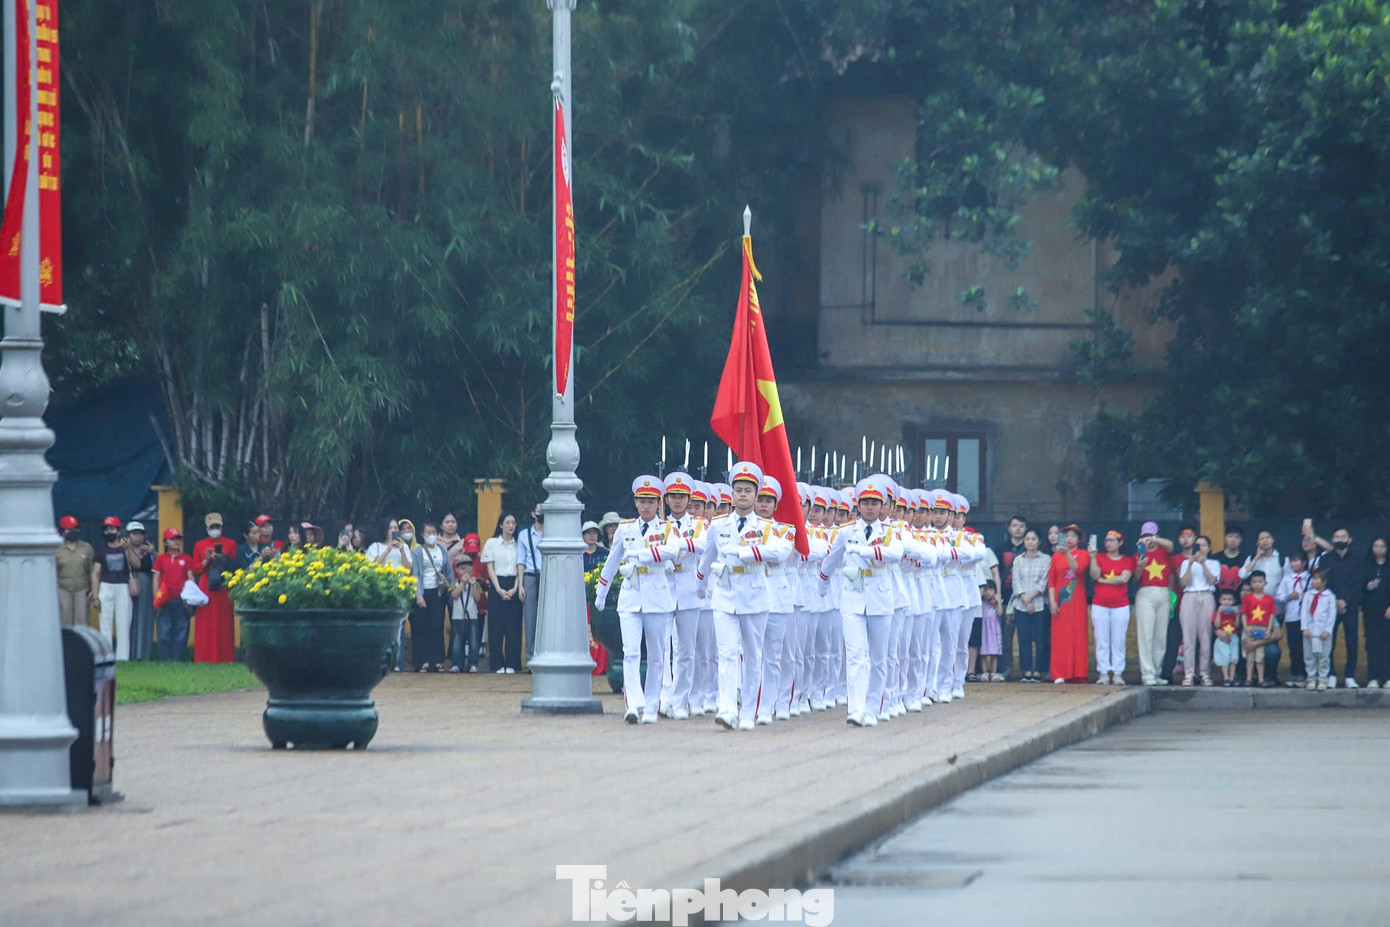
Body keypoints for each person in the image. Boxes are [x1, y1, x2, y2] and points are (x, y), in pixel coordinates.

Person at [816, 474, 902, 727]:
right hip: (852, 598)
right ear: (858, 504)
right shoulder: (846, 532)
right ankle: (856, 708)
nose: (870, 507)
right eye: (865, 502)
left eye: (875, 502)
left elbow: (896, 554)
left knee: (878, 657)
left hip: (880, 597)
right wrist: (822, 584)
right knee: (855, 655)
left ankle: (873, 708)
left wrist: (864, 551)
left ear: (882, 505)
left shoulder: (890, 532)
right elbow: (831, 560)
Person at [595, 477, 681, 724]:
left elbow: (672, 551)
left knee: (656, 655)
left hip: (657, 594)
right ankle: (633, 704)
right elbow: (612, 561)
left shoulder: (667, 528)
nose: (646, 506)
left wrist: (641, 555)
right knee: (630, 652)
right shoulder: (625, 529)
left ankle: (653, 706)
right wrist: (601, 593)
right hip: (631, 595)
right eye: (642, 501)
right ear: (635, 502)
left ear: (658, 503)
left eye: (650, 501)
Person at [1308, 525, 1366, 688]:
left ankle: (1349, 676)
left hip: (1351, 607)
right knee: (1328, 641)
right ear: (1332, 540)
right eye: (1336, 537)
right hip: (1330, 607)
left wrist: (1345, 601)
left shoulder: (1357, 559)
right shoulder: (1326, 559)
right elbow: (1325, 583)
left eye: (1342, 537)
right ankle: (1330, 674)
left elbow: (1359, 583)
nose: (1339, 540)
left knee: (1352, 641)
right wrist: (1336, 600)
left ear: (1350, 539)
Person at [1089, 529, 1135, 685]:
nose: (1108, 543)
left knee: (1119, 640)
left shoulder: (1127, 560)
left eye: (1112, 540)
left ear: (1120, 543)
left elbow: (1123, 579)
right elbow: (1095, 575)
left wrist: (1104, 581)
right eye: (1106, 540)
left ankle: (1117, 673)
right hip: (1100, 604)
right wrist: (1093, 558)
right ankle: (1103, 673)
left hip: (1120, 605)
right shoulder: (1100, 557)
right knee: (1101, 640)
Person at [1047, 525, 1091, 684]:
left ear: (1079, 539)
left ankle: (1078, 673)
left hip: (1077, 600)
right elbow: (1051, 581)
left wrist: (1067, 555)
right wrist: (1052, 601)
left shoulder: (1083, 554)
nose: (1070, 538)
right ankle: (1059, 673)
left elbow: (1078, 571)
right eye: (1067, 535)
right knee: (1060, 637)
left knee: (1077, 634)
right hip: (1060, 601)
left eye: (1073, 536)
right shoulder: (1056, 556)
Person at [410, 521, 456, 673]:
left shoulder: (442, 550)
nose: (431, 535)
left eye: (433, 532)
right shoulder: (417, 552)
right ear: (422, 535)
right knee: (422, 627)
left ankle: (437, 660)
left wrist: (453, 589)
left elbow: (449, 571)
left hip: (438, 593)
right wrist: (418, 595)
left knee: (437, 626)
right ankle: (422, 661)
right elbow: (415, 574)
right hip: (424, 592)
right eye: (428, 532)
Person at [192, 513, 238, 663]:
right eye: (212, 527)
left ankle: (226, 657)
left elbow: (234, 566)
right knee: (205, 624)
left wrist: (223, 557)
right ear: (207, 528)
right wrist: (207, 559)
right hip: (207, 586)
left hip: (223, 586)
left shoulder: (230, 543)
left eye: (217, 526)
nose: (215, 529)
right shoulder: (199, 545)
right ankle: (204, 657)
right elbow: (196, 568)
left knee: (224, 623)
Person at [367, 519, 412, 670]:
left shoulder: (404, 547)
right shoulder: (376, 547)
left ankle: (397, 663)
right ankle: (380, 663)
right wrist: (387, 550)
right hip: (380, 589)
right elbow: (371, 567)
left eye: (395, 527)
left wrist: (401, 550)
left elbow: (408, 569)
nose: (393, 530)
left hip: (398, 590)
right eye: (390, 527)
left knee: (399, 626)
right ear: (385, 530)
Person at [1133, 522, 1175, 686]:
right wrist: (1139, 566)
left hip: (1163, 593)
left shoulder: (1164, 551)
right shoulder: (1138, 554)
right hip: (1146, 592)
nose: (1148, 540)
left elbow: (1171, 545)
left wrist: (1155, 540)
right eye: (1145, 536)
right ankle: (1147, 674)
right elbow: (1135, 578)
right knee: (1146, 635)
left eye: (1151, 536)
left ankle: (1156, 672)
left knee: (1160, 637)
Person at [481, 512, 523, 673]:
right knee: (496, 626)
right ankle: (497, 663)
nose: (511, 526)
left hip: (514, 582)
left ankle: (512, 663)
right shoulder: (492, 543)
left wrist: (515, 588)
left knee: (514, 626)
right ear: (500, 525)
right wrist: (498, 588)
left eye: (513, 523)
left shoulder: (519, 544)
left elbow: (521, 566)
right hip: (497, 583)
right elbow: (490, 567)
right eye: (507, 523)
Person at [92, 515, 138, 659]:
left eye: (111, 529)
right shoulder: (101, 551)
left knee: (124, 624)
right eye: (106, 529)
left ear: (119, 531)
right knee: (105, 624)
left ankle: (123, 658)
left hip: (123, 587)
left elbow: (136, 564)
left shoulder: (126, 547)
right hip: (106, 587)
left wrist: (128, 549)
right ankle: (107, 657)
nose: (108, 532)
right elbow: (95, 574)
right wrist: (95, 596)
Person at [1009, 529, 1050, 682]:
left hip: (1040, 604)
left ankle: (1039, 671)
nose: (1030, 541)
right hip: (1021, 604)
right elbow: (1016, 581)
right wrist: (1024, 598)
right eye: (1028, 539)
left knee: (1041, 639)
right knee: (1023, 639)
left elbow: (1044, 582)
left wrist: (1031, 597)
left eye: (1034, 539)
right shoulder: (1018, 560)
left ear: (1039, 542)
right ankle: (1026, 671)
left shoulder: (1046, 559)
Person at [1178, 535, 1219, 686]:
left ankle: (1204, 673)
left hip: (1207, 595)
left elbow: (1212, 580)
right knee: (1188, 637)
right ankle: (1188, 673)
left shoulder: (1214, 563)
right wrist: (1190, 564)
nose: (1200, 548)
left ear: (1208, 548)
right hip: (1189, 596)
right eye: (1198, 545)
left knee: (1205, 637)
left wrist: (1203, 564)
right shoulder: (1185, 563)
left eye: (1203, 545)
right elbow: (1184, 583)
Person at [153, 528, 195, 662]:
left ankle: (177, 659)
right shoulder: (160, 559)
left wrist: (190, 597)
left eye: (178, 539)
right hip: (165, 599)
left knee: (181, 631)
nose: (176, 542)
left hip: (181, 600)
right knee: (164, 631)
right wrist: (156, 599)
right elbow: (156, 578)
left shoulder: (186, 558)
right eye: (173, 539)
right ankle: (165, 659)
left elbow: (191, 578)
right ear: (165, 542)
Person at [995, 515, 1028, 679]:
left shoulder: (1030, 547)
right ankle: (1005, 669)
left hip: (1025, 598)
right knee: (1004, 637)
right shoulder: (1000, 548)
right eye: (1014, 525)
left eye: (1021, 526)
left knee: (1024, 636)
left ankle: (1027, 670)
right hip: (1005, 597)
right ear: (1009, 528)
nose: (1018, 529)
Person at [1276, 552, 1311, 688]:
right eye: (1292, 561)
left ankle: (1305, 674)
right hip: (1291, 616)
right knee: (1293, 646)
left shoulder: (1309, 578)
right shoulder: (1287, 579)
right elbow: (1278, 596)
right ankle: (1294, 673)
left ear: (1303, 563)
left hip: (1306, 617)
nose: (1294, 564)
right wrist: (1289, 596)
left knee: (1304, 647)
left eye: (1297, 561)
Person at [516, 502, 544, 667]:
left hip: (548, 576)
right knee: (530, 618)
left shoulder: (553, 533)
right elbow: (521, 561)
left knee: (549, 618)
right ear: (533, 514)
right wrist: (521, 585)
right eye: (539, 511)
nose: (541, 514)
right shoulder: (524, 535)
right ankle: (531, 660)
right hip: (530, 576)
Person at [55, 515, 94, 628]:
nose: (73, 531)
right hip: (62, 589)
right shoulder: (56, 548)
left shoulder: (86, 548)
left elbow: (92, 570)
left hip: (82, 589)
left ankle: (81, 645)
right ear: (63, 531)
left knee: (82, 622)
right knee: (64, 621)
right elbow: (52, 571)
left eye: (75, 528)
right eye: (70, 529)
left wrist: (93, 590)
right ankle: (66, 645)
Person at [1300, 569, 1337, 689]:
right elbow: (1304, 612)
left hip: (1323, 632)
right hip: (1309, 632)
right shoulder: (1308, 595)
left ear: (1324, 581)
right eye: (1313, 579)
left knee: (1324, 656)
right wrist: (1304, 627)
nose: (1314, 581)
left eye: (1317, 579)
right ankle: (1311, 678)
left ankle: (1322, 679)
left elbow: (1332, 615)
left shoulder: (1330, 596)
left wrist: (1327, 630)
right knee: (1309, 656)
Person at [126, 521, 157, 660]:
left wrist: (154, 552)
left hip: (145, 584)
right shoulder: (122, 549)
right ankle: (128, 654)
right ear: (128, 535)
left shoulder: (149, 552)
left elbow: (159, 564)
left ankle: (142, 655)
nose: (138, 537)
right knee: (128, 619)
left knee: (145, 619)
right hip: (126, 585)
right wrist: (127, 549)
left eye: (140, 534)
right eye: (134, 533)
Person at [448, 554, 484, 673]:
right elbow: (453, 595)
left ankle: (472, 663)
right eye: (462, 568)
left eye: (468, 568)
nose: (465, 571)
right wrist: (462, 583)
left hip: (472, 616)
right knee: (457, 643)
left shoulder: (475, 583)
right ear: (457, 570)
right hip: (457, 617)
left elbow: (478, 598)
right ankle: (457, 663)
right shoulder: (454, 583)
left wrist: (473, 584)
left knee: (474, 643)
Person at [1242, 570, 1277, 687]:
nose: (1257, 584)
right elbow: (1244, 614)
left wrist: (1268, 629)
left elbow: (1272, 614)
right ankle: (1248, 678)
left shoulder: (1269, 599)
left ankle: (1261, 679)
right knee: (1249, 656)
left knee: (1260, 656)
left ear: (1265, 583)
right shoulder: (1247, 598)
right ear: (1251, 584)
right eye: (1254, 582)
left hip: (1262, 628)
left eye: (1260, 582)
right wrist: (1246, 628)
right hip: (1250, 628)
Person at [1363, 538, 1390, 688]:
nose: (1379, 549)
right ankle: (1373, 677)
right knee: (1372, 644)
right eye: (1376, 546)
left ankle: (1387, 677)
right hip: (1371, 611)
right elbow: (1360, 587)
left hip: (1387, 611)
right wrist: (1367, 586)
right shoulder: (1367, 565)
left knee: (1387, 644)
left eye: (1382, 546)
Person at [1212, 589, 1241, 686]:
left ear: (1233, 601)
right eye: (1224, 599)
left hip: (1234, 636)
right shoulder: (1218, 612)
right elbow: (1216, 625)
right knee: (1225, 657)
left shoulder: (1234, 612)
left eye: (1229, 600)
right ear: (1220, 601)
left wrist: (1237, 615)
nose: (1227, 602)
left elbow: (1237, 626)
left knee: (1234, 657)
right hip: (1222, 637)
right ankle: (1226, 677)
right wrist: (1219, 613)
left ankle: (1232, 678)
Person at [978, 581, 1002, 680]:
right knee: (983, 651)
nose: (988, 592)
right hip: (984, 629)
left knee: (994, 651)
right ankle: (984, 672)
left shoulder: (996, 604)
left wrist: (999, 602)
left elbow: (1000, 613)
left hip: (994, 629)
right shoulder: (981, 603)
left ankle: (993, 672)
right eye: (986, 590)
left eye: (991, 590)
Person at [1213, 527, 1246, 598]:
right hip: (1216, 598)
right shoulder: (1214, 558)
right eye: (1230, 536)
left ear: (1241, 540)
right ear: (1225, 538)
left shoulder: (1245, 560)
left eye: (1237, 537)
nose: (1233, 540)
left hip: (1237, 599)